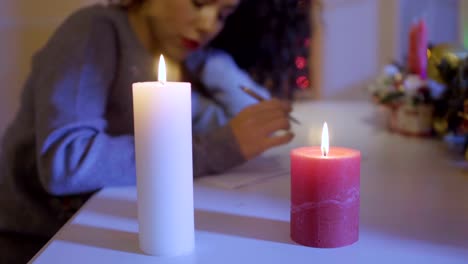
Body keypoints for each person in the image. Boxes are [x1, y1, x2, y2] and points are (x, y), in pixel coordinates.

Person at [0, 0, 302, 262]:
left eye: (223, 14)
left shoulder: (176, 57)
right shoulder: (94, 31)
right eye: (199, 2)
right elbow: (65, 162)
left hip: (116, 227)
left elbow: (251, 122)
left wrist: (211, 62)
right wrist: (213, 149)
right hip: (37, 239)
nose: (209, 25)